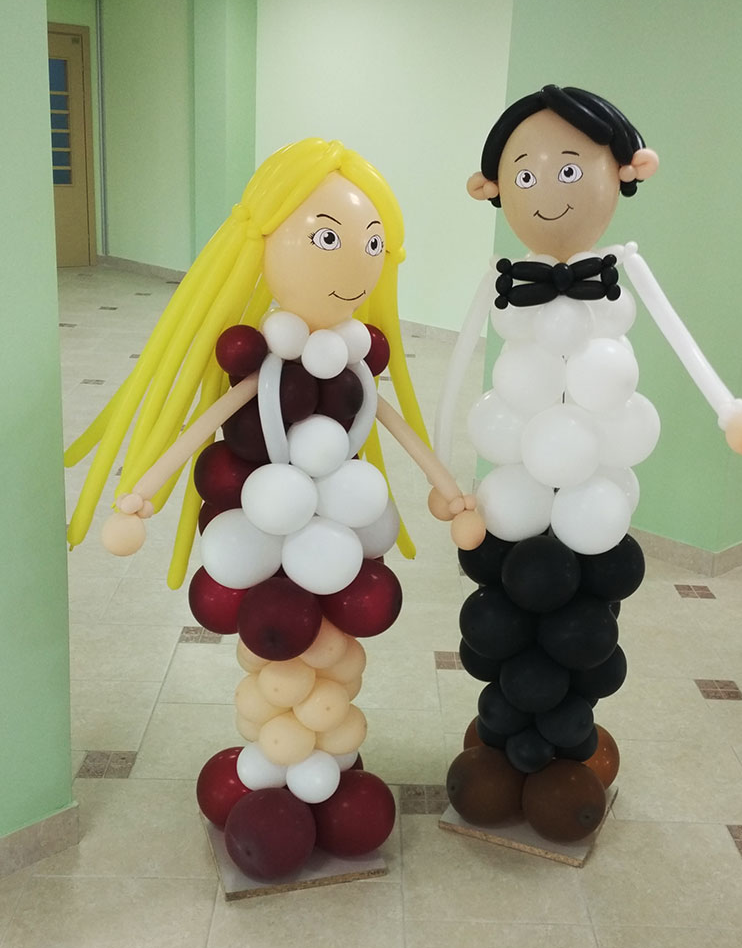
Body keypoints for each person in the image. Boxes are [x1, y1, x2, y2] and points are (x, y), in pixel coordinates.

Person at [65, 138, 478, 881]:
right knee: (280, 645)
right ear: (263, 246)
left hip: (338, 533)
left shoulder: (356, 365)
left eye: (372, 244)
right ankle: (281, 763)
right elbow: (208, 420)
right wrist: (144, 490)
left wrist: (445, 487)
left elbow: (391, 424)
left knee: (329, 648)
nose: (354, 263)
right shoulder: (263, 364)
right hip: (267, 532)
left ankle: (322, 764)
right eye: (328, 239)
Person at [435, 85, 742, 841]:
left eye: (568, 169)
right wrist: (444, 474)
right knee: (509, 601)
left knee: (581, 621)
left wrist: (728, 406)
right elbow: (457, 364)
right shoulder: (503, 277)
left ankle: (562, 743)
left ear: (626, 168)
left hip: (594, 488)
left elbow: (681, 337)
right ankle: (509, 737)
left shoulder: (623, 267)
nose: (545, 190)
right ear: (492, 187)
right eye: (524, 175)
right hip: (516, 485)